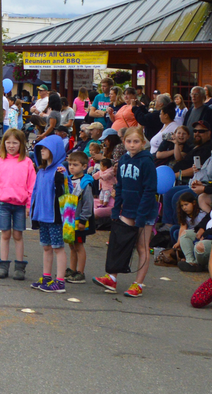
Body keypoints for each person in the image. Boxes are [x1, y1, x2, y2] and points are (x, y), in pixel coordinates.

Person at [95, 126, 158, 298]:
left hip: (144, 211)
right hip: (127, 208)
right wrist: (116, 209)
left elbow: (149, 190)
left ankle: (138, 284)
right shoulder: (123, 160)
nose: (132, 145)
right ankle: (112, 277)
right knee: (120, 242)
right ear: (124, 142)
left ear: (143, 143)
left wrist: (141, 215)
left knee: (141, 246)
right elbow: (120, 186)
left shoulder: (146, 162)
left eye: (136, 141)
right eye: (129, 141)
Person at [0, 129, 35, 281]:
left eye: (15, 142)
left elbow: (31, 185)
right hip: (4, 203)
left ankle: (20, 266)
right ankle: (3, 265)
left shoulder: (27, 162)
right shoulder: (0, 161)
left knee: (18, 235)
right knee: (5, 234)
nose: (11, 146)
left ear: (21, 144)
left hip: (20, 204)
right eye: (8, 143)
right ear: (3, 144)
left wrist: (28, 205)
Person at [28, 135, 70, 293]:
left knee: (58, 247)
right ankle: (46, 276)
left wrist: (62, 179)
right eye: (41, 149)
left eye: (46, 148)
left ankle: (60, 281)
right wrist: (33, 212)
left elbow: (67, 192)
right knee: (46, 247)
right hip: (42, 216)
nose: (42, 151)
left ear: (55, 150)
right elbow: (35, 193)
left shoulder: (60, 171)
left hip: (55, 216)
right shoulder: (41, 171)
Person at [64, 151, 95, 284]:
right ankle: (72, 269)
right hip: (69, 217)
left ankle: (80, 272)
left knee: (79, 246)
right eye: (70, 164)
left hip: (79, 219)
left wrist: (83, 219)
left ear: (83, 166)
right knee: (71, 245)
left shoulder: (85, 183)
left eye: (75, 165)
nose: (71, 167)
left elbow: (88, 203)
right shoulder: (69, 179)